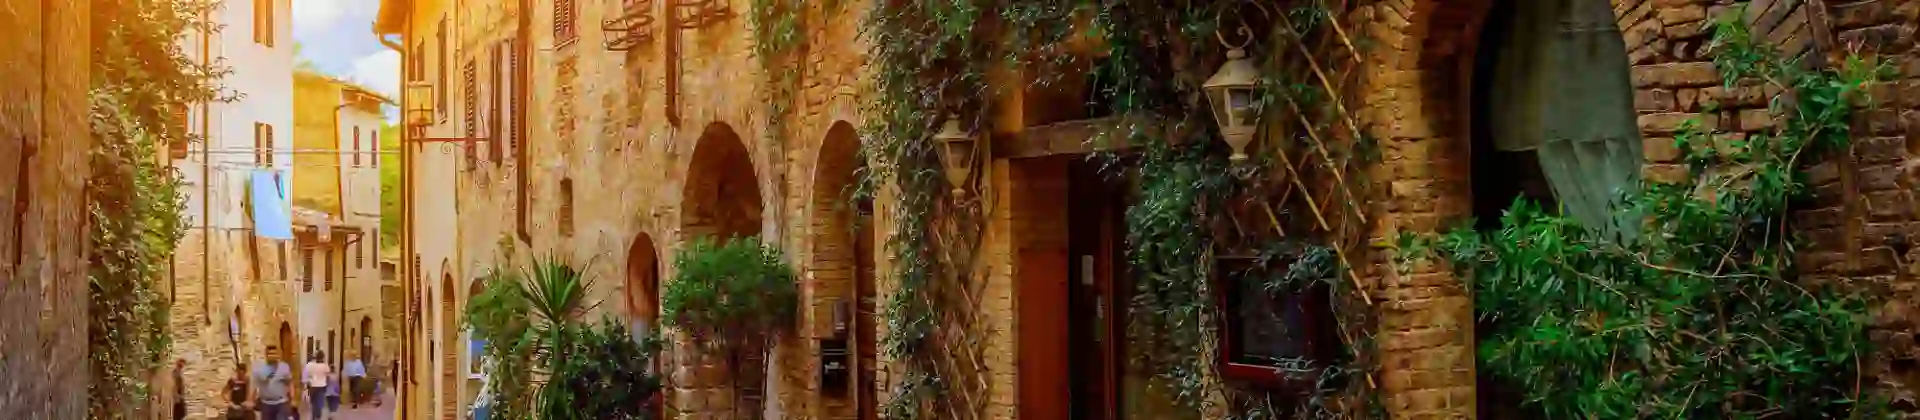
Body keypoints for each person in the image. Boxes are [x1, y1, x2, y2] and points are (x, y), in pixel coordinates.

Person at [251, 346, 294, 420]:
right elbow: (255, 385)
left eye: (274, 354)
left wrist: (292, 398)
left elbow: (290, 383)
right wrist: (251, 400)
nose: (272, 356)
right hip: (266, 404)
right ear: (266, 355)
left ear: (277, 355)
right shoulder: (259, 368)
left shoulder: (284, 367)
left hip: (281, 403)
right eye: (270, 354)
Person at [304, 352, 332, 420]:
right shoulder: (325, 366)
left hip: (312, 386)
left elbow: (306, 374)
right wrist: (328, 384)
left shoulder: (310, 365)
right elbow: (328, 376)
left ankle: (313, 416)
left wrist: (307, 383)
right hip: (322, 386)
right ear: (323, 357)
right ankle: (318, 415)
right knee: (319, 401)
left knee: (313, 402)